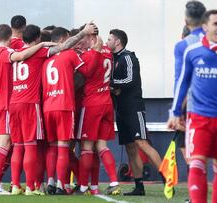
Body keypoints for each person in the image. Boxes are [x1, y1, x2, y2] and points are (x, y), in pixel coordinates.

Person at [8, 23, 97, 195]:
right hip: (56, 105)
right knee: (58, 147)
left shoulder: (15, 54)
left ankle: (20, 184)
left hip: (37, 105)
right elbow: (86, 70)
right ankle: (56, 185)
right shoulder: (48, 53)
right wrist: (93, 48)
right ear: (38, 39)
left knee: (31, 147)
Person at [0, 24, 54, 195]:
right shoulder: (6, 53)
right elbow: (22, 55)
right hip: (5, 104)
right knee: (5, 146)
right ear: (10, 38)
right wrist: (41, 45)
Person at [168, 10, 217, 203]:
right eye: (215, 24)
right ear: (204, 27)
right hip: (198, 117)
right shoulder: (192, 52)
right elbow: (182, 83)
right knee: (196, 163)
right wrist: (175, 112)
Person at [42, 24, 98, 195]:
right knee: (64, 147)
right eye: (68, 39)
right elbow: (87, 71)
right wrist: (95, 51)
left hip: (48, 107)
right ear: (62, 40)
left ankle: (50, 181)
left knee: (52, 147)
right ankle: (61, 184)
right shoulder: (70, 54)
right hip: (64, 106)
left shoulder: (46, 60)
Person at [108, 29, 163, 196]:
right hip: (121, 109)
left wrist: (111, 84)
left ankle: (169, 179)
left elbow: (130, 80)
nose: (107, 42)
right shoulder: (112, 59)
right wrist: (113, 88)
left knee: (142, 143)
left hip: (134, 107)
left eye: (109, 39)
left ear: (118, 42)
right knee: (130, 147)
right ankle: (139, 186)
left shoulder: (128, 57)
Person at [73, 29, 121, 196]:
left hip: (92, 104)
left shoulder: (89, 55)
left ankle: (83, 186)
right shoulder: (108, 52)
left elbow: (83, 72)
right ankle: (114, 182)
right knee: (102, 146)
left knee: (86, 147)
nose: (81, 42)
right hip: (106, 102)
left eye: (83, 38)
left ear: (91, 37)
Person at [171, 0, 206, 193]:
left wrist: (176, 112)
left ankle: (196, 196)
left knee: (194, 155)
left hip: (195, 108)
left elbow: (182, 82)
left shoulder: (183, 46)